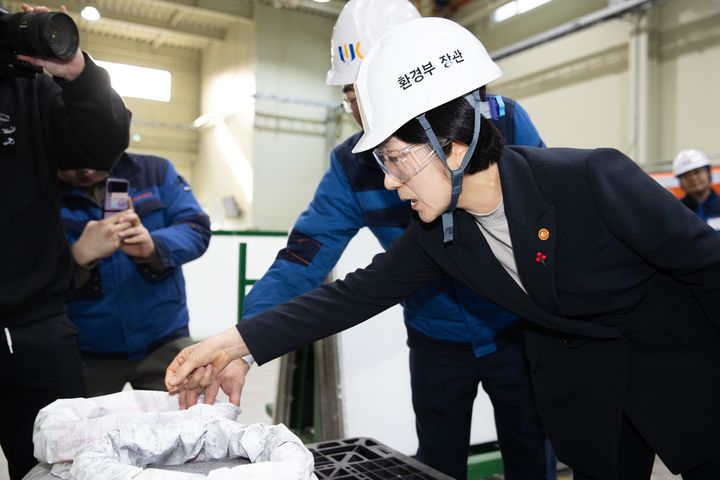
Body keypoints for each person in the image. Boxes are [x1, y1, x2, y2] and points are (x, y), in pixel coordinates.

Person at [167, 17, 720, 480]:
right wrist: (233, 342)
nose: (386, 180)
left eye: (396, 158)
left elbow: (706, 267)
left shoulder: (594, 175)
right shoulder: (440, 235)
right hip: (576, 385)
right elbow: (351, 294)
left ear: (450, 144)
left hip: (675, 370)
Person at [180, 1, 552, 479]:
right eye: (353, 97)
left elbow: (546, 220)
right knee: (437, 463)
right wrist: (245, 341)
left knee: (532, 451)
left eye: (369, 92)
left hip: (517, 332)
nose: (363, 112)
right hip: (435, 341)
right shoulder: (353, 165)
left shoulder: (500, 122)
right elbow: (304, 255)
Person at [0, 4, 131, 479]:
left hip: (37, 324)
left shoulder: (26, 82)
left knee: (62, 466)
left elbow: (99, 146)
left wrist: (77, 74)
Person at [57, 153, 211, 396]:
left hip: (165, 338)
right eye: (71, 160)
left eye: (93, 157)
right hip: (85, 351)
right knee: (83, 432)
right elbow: (22, 271)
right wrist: (75, 258)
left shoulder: (155, 171)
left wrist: (153, 246)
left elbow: (196, 228)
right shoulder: (37, 190)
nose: (85, 170)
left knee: (186, 425)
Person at [672, 149, 720, 230]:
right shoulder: (676, 210)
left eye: (697, 172)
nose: (693, 178)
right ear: (680, 181)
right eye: (686, 175)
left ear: (708, 172)